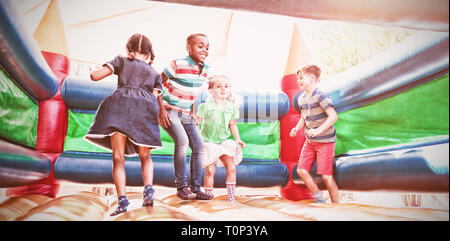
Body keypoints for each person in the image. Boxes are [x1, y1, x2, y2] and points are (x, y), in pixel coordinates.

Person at [85, 33, 162, 216]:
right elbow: (156, 96)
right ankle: (148, 190)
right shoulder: (155, 73)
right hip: (144, 110)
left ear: (129, 50)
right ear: (150, 54)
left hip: (119, 108)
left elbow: (95, 76)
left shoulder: (121, 60)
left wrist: (93, 69)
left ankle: (122, 200)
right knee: (145, 155)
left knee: (118, 158)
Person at [157, 33, 212, 200]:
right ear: (189, 48)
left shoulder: (204, 71)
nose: (205, 50)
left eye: (207, 48)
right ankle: (181, 186)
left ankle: (196, 187)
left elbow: (193, 93)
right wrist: (161, 110)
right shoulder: (177, 64)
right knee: (182, 141)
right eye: (200, 46)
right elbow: (156, 83)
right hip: (169, 109)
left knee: (199, 145)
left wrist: (194, 111)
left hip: (186, 113)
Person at [290, 64, 339, 203]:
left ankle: (336, 206)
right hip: (310, 142)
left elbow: (333, 116)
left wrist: (318, 130)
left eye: (301, 77)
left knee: (326, 176)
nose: (298, 80)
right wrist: (296, 128)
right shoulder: (301, 99)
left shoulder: (320, 95)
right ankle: (319, 198)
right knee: (301, 171)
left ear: (312, 78)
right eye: (297, 78)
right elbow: (303, 118)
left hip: (325, 142)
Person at [195, 75, 245, 204]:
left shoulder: (232, 107)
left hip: (223, 141)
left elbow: (233, 125)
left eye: (226, 86)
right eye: (218, 86)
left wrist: (238, 139)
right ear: (211, 90)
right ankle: (208, 195)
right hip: (208, 141)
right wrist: (195, 140)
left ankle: (231, 196)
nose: (223, 89)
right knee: (210, 170)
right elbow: (196, 124)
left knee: (231, 167)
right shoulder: (204, 107)